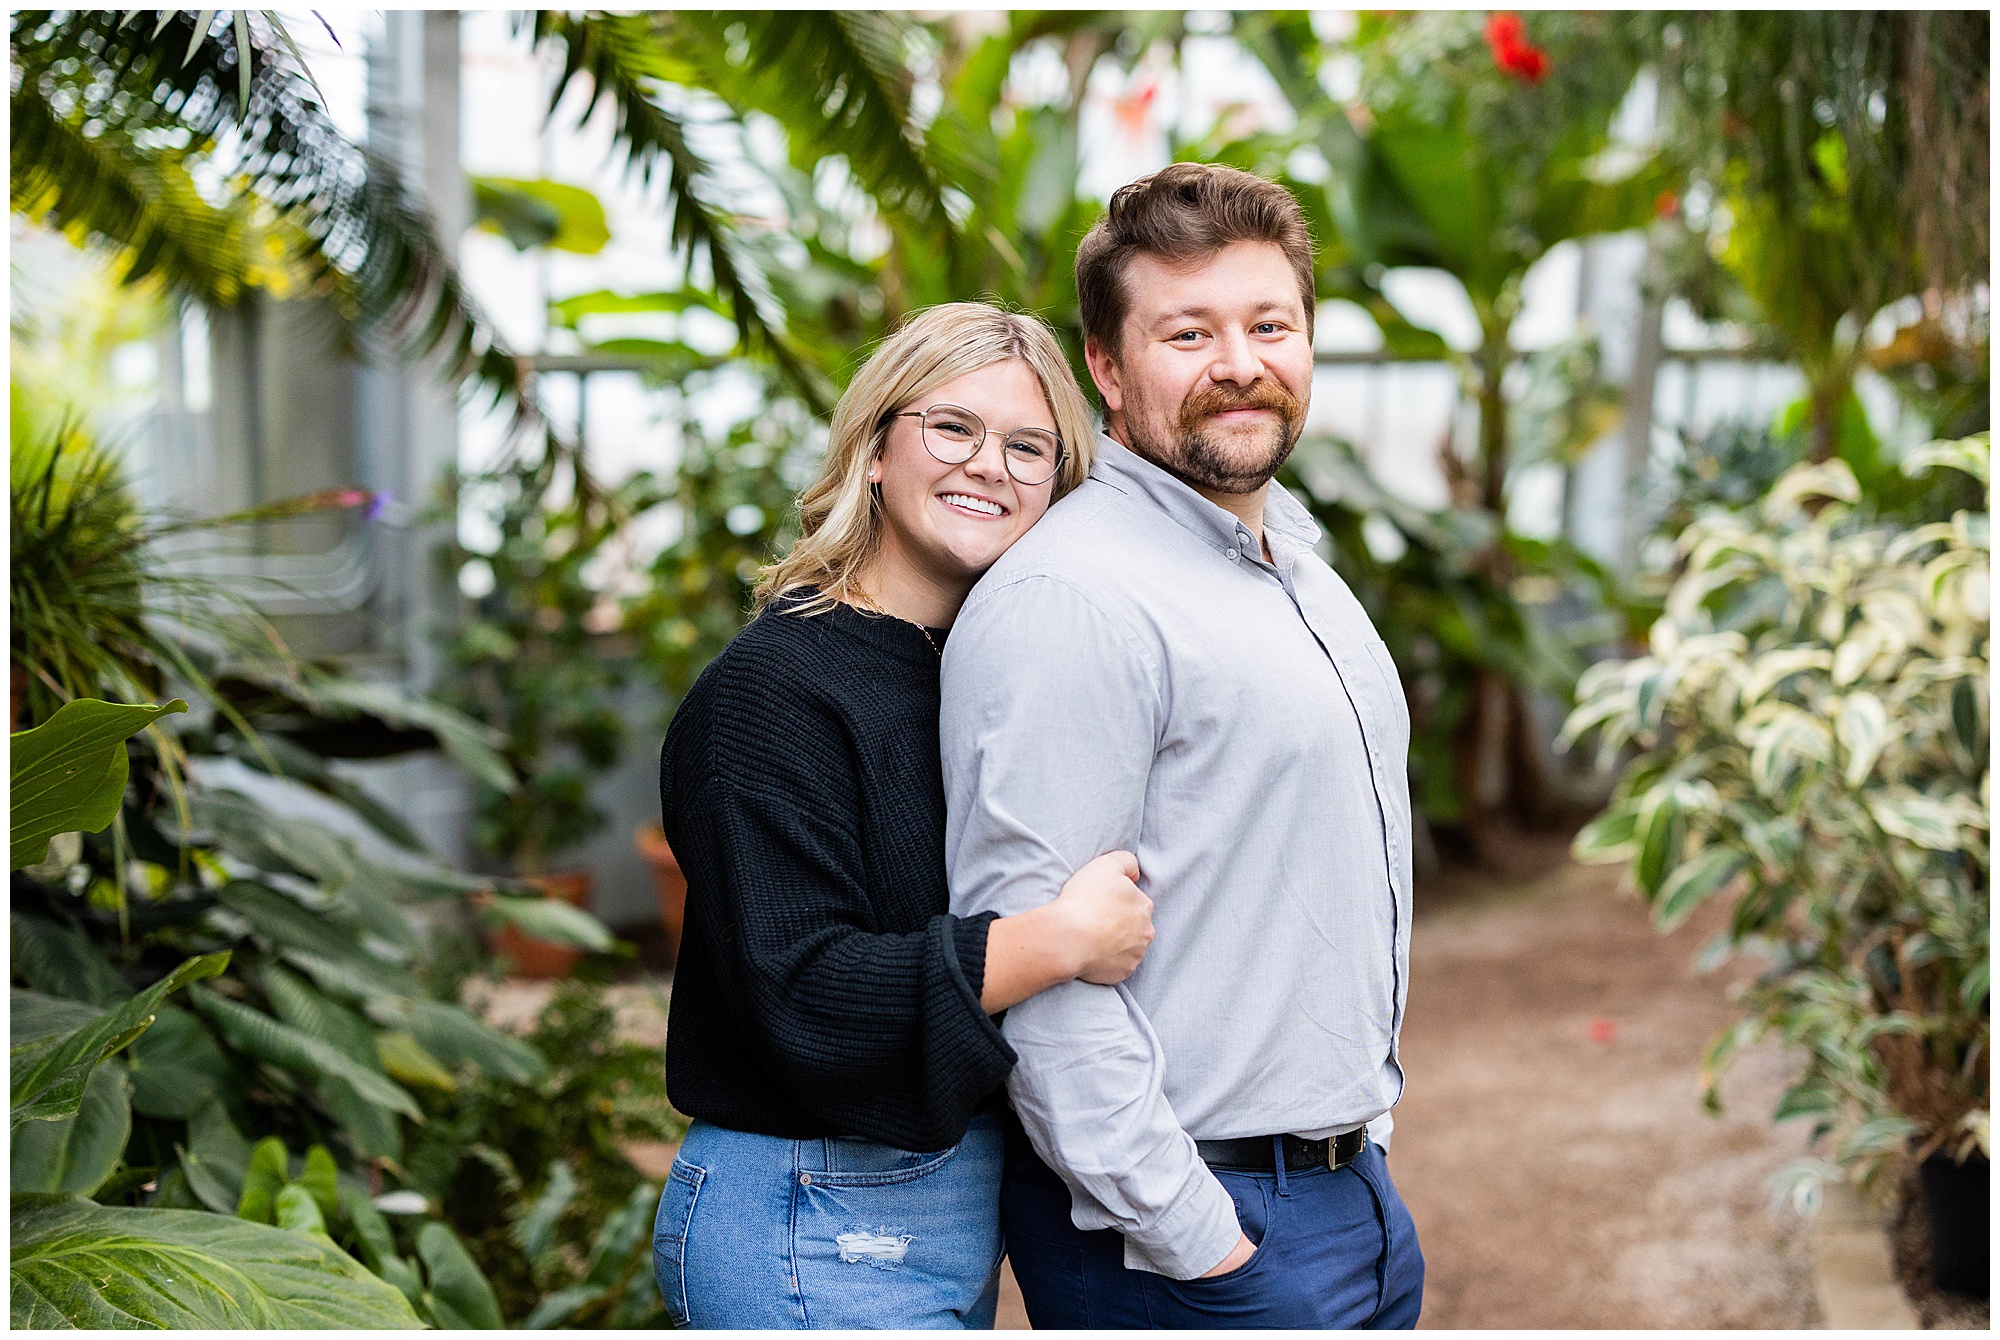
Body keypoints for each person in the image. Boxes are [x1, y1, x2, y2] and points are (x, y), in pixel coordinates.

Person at [941, 162, 1425, 1327]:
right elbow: (1037, 976)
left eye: (1270, 323)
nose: (1240, 363)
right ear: (1105, 367)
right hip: (1185, 1238)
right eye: (1187, 331)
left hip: (1343, 1192)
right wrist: (1202, 1246)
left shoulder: (1293, 567)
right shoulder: (1074, 596)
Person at [652, 302, 1157, 1330]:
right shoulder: (776, 689)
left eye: (1028, 446)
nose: (988, 465)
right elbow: (805, 987)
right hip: (808, 1204)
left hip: (935, 1196)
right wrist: (1057, 938)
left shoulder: (980, 670)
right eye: (952, 428)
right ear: (876, 447)